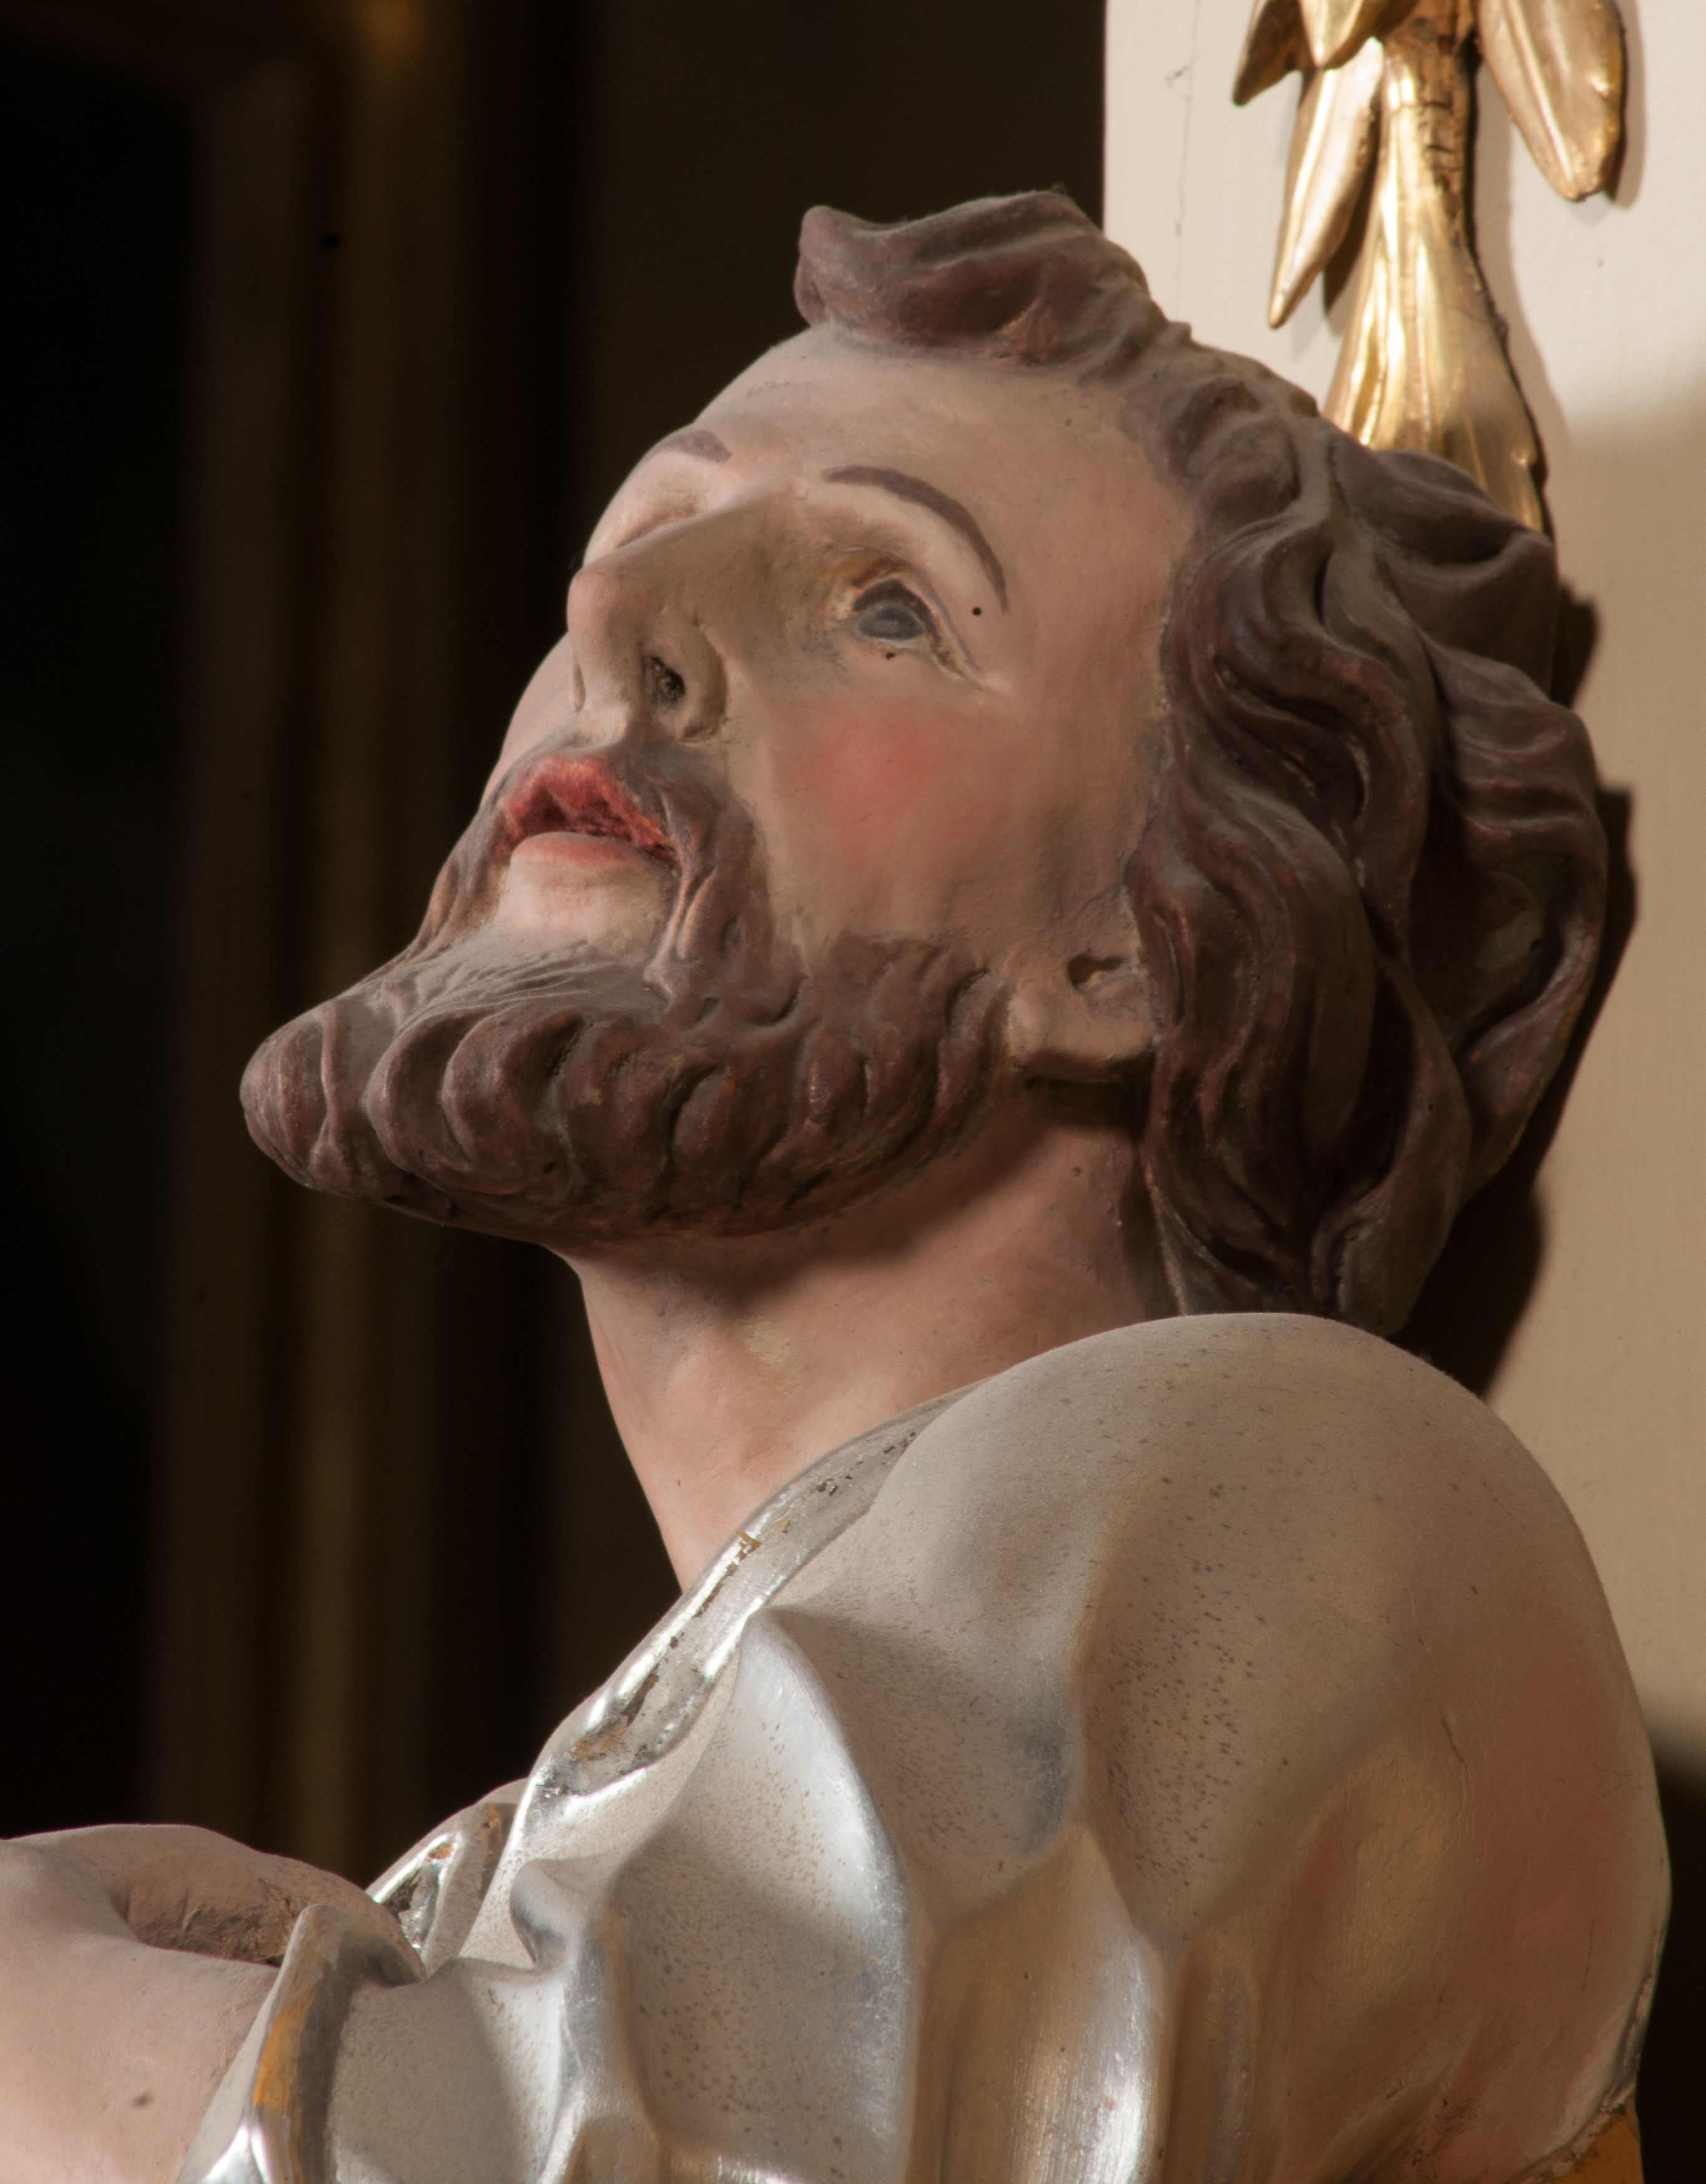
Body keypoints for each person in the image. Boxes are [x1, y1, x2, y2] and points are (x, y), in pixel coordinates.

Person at [0, 192, 1665, 2184]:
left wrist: (59, 2027)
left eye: (888, 606)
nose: (613, 622)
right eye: (635, 539)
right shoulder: (573, 1847)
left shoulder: (1299, 1483)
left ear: (1144, 939)